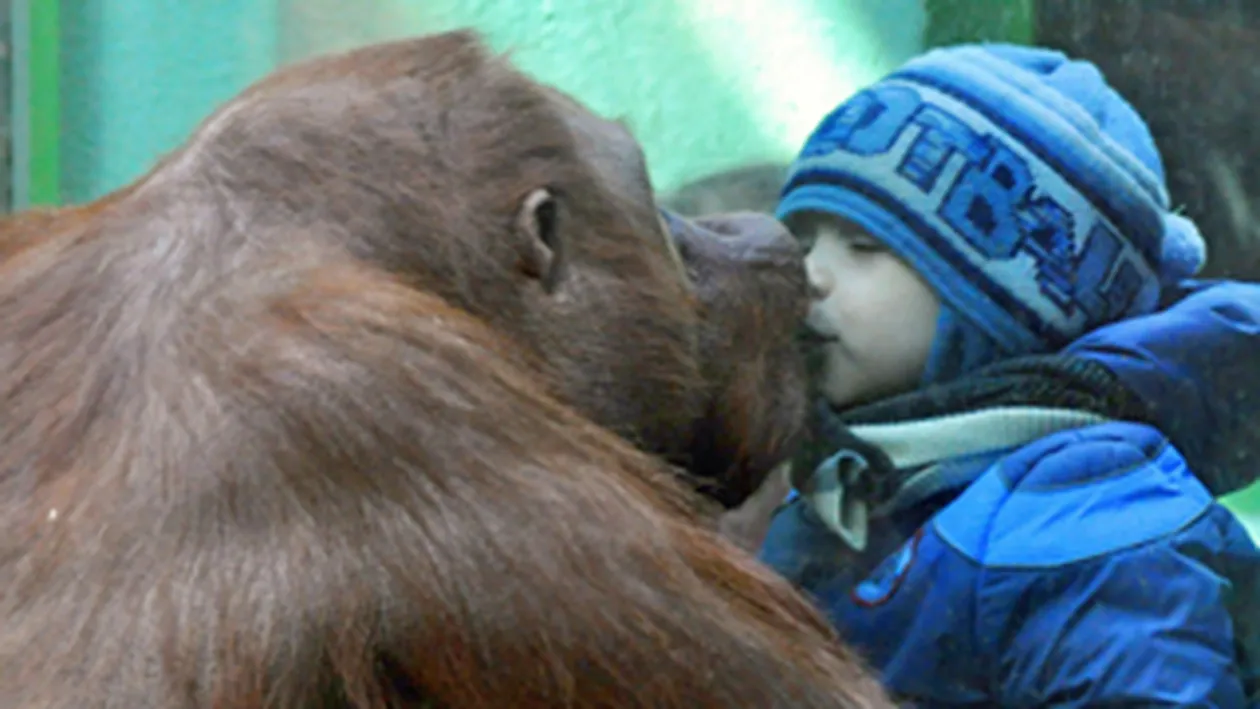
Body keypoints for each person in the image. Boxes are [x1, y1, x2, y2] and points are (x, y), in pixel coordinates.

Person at [757, 43, 1260, 707]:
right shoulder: (854, 487)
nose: (809, 275)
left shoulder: (1086, 513)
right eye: (800, 242)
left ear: (1013, 305)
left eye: (864, 246)